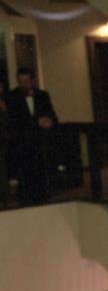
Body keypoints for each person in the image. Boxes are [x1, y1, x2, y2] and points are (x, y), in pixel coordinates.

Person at [6, 67, 58, 204]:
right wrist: (37, 122)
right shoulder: (12, 97)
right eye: (21, 82)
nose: (24, 85)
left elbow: (52, 115)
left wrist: (50, 121)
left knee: (41, 178)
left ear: (33, 81)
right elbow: (14, 121)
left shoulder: (43, 95)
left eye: (27, 81)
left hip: (40, 144)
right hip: (22, 145)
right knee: (25, 181)